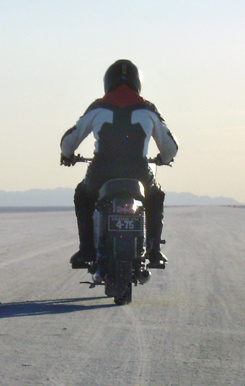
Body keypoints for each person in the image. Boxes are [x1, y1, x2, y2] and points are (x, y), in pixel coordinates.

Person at [60, 59, 178, 269]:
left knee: (83, 196)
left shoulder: (98, 108)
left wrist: (68, 155)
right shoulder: (148, 109)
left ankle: (86, 250)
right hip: (139, 172)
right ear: (137, 83)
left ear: (108, 82)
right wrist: (164, 159)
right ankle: (154, 250)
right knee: (155, 197)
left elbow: (69, 140)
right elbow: (170, 147)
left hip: (101, 172)